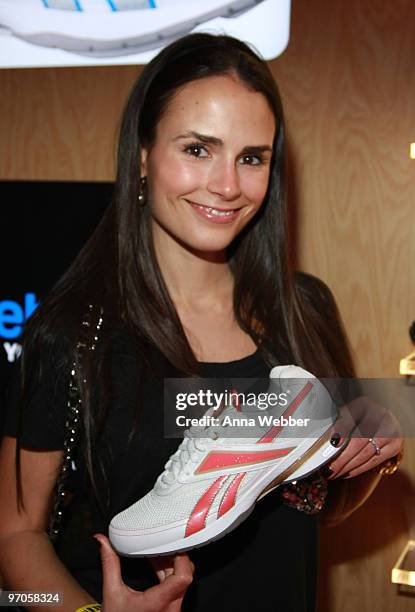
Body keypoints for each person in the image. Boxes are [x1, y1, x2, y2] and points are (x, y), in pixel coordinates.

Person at [0, 33, 403, 612]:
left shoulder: (305, 309)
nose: (228, 185)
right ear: (142, 154)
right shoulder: (69, 334)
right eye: (197, 149)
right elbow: (15, 536)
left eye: (251, 157)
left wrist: (368, 454)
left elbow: (318, 506)